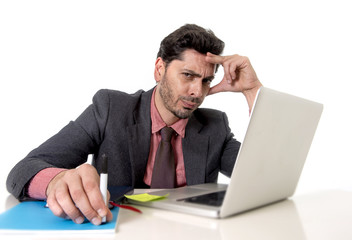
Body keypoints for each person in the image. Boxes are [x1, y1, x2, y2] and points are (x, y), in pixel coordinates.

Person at [6, 24, 262, 225]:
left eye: (206, 81)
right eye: (188, 75)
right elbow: (23, 171)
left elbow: (262, 175)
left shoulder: (214, 126)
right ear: (160, 69)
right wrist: (58, 181)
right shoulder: (110, 109)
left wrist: (253, 92)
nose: (198, 92)